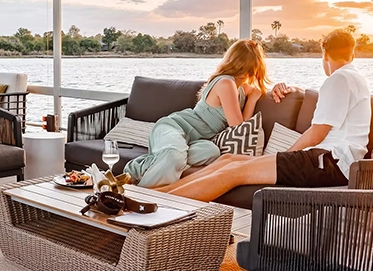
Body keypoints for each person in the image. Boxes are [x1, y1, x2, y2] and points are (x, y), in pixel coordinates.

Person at [154, 29, 371, 201]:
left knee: (233, 173)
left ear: (325, 55)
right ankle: (158, 194)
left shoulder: (338, 80)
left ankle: (161, 205)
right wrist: (289, 87)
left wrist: (284, 155)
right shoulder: (353, 79)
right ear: (352, 54)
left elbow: (317, 133)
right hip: (330, 162)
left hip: (329, 162)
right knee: (227, 159)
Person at [123, 39, 287, 188]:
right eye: (244, 67)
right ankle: (142, 194)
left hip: (196, 140)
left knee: (212, 152)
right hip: (175, 127)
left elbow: (264, 92)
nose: (245, 73)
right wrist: (252, 100)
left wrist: (280, 88)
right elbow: (237, 125)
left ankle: (143, 167)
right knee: (174, 156)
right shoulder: (226, 82)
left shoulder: (241, 87)